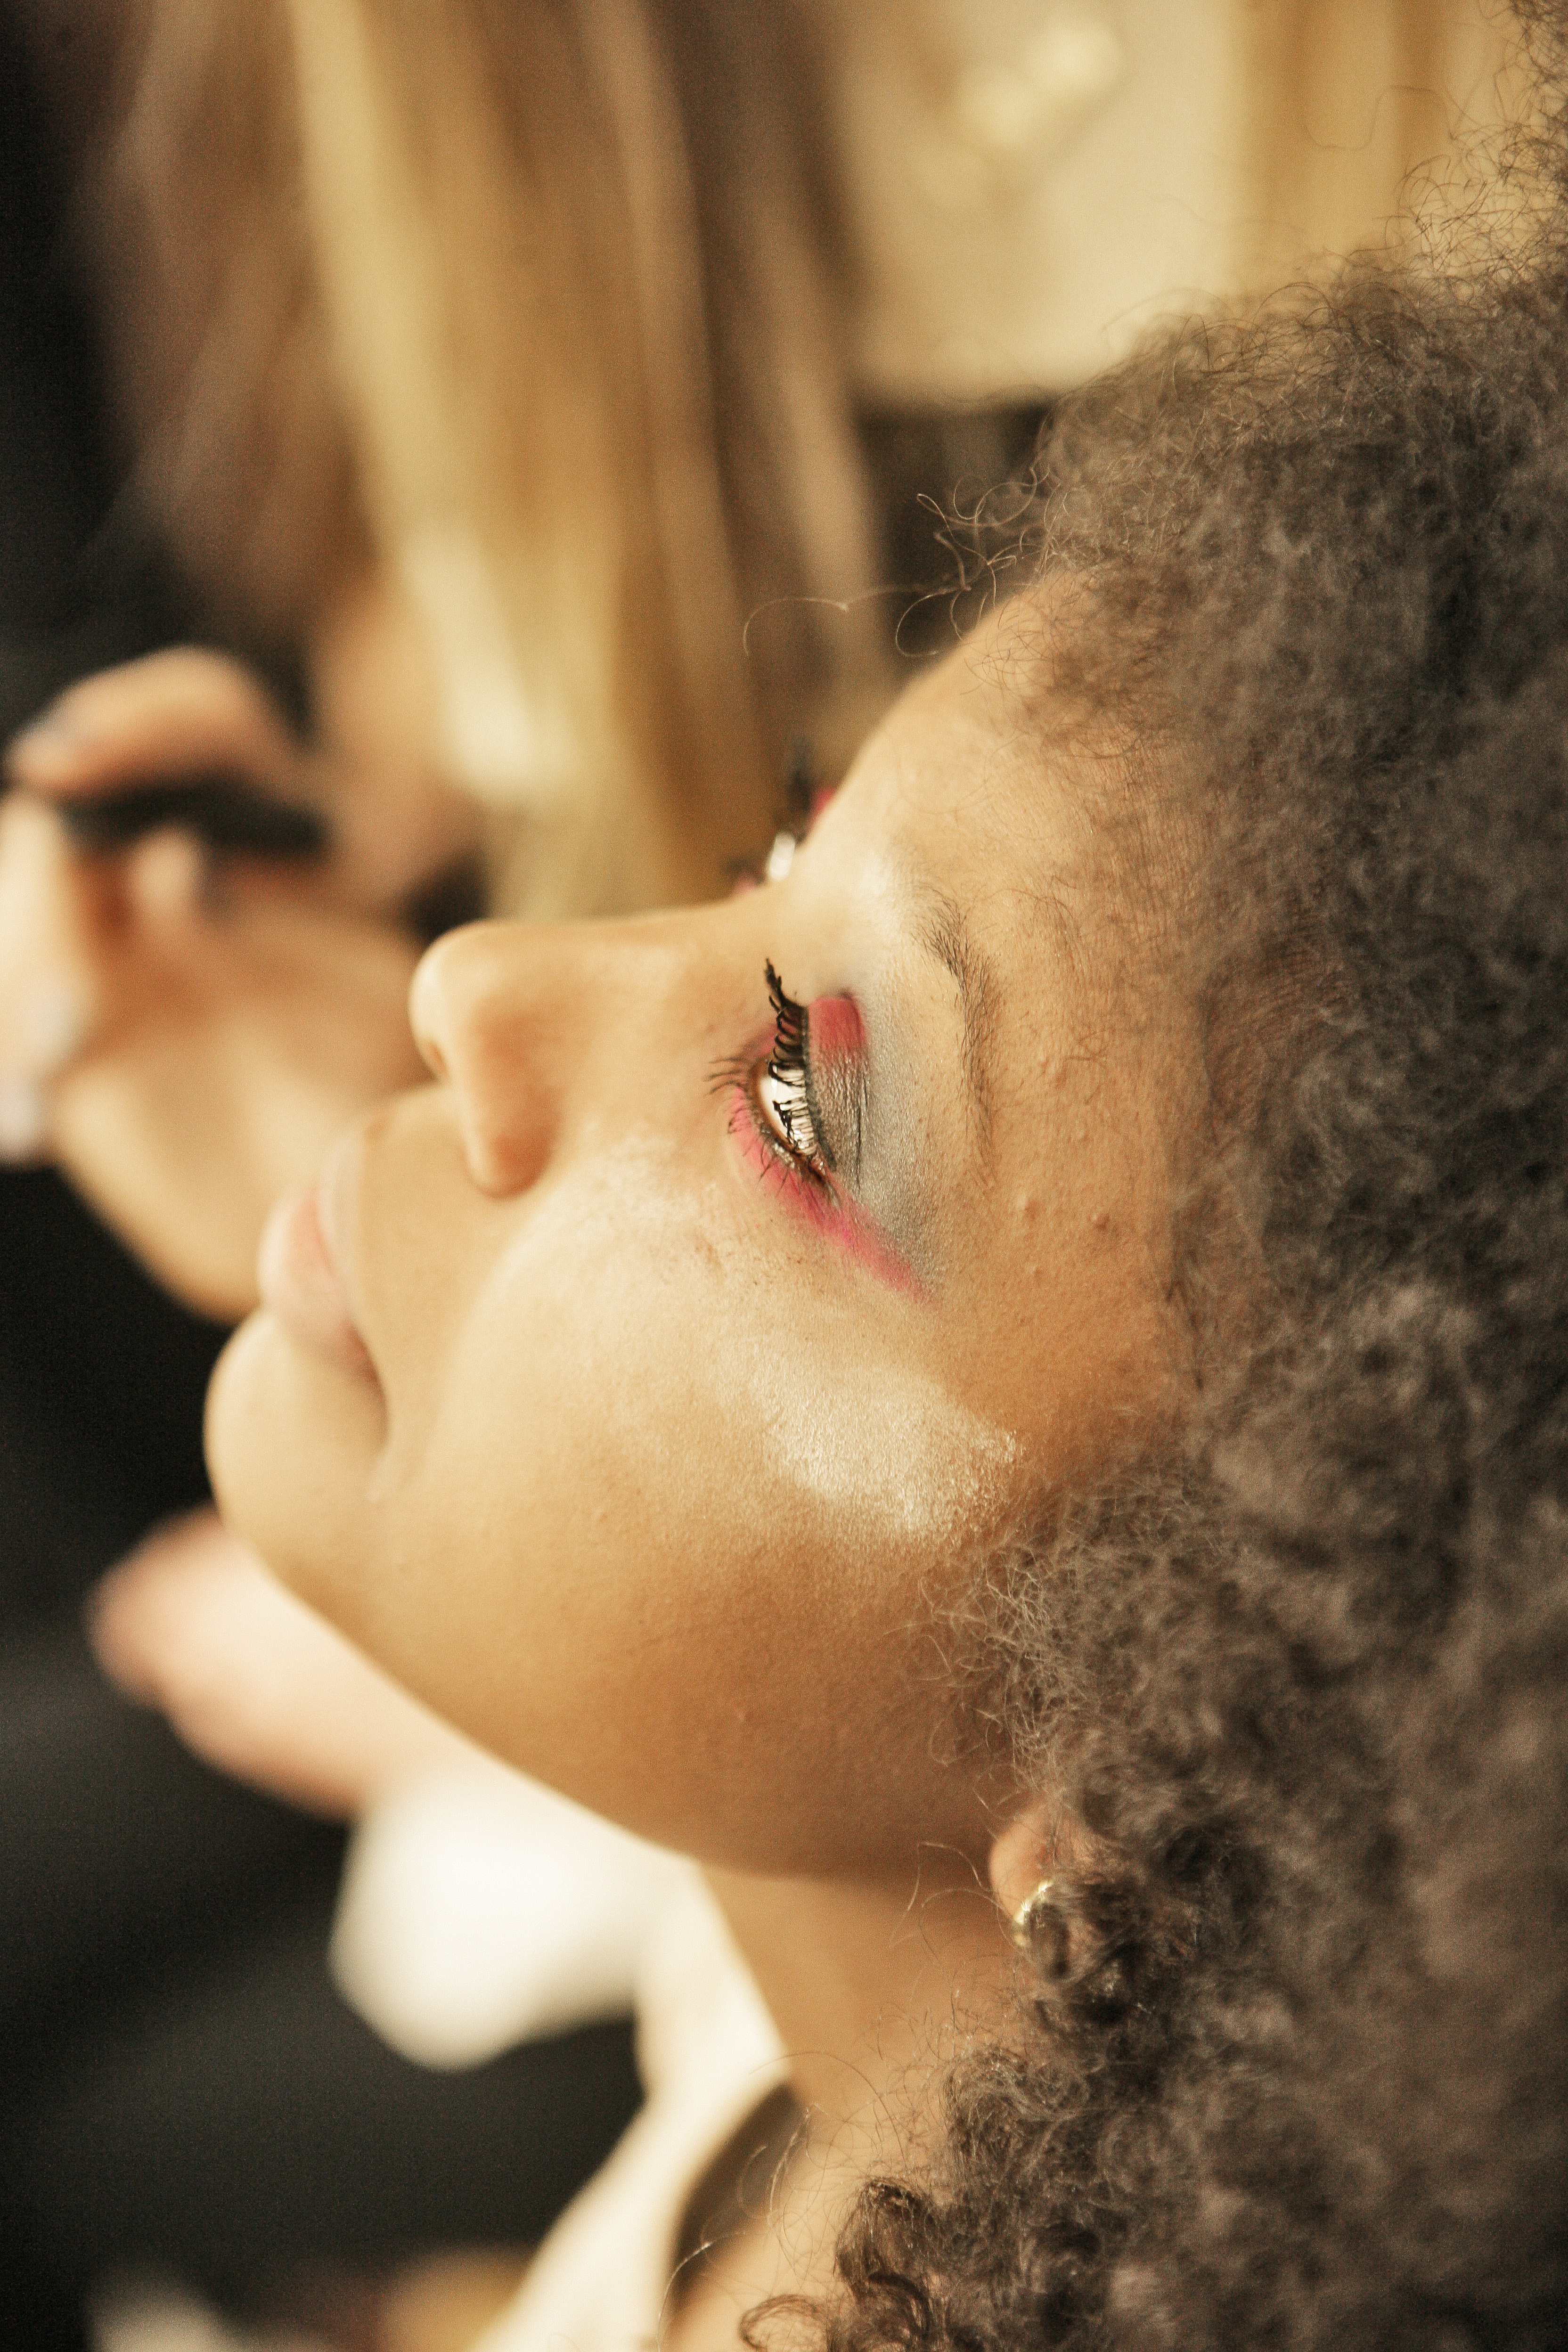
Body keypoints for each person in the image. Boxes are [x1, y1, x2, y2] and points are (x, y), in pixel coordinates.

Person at [196, 1, 1568, 2336]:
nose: (479, 984)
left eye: (804, 1103)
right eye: (775, 854)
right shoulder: (827, 2061)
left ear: (1169, 1776)